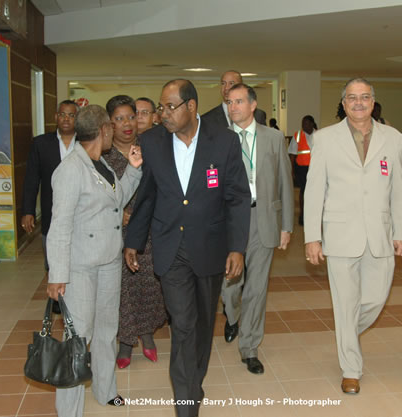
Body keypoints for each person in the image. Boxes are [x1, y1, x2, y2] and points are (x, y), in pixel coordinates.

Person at [124, 79, 250, 417]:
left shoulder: (223, 141)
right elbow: (147, 195)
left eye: (169, 107)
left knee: (204, 324)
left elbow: (237, 197)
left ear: (191, 107)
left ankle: (194, 380)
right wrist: (133, 241)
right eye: (161, 107)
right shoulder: (152, 142)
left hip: (210, 246)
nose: (162, 114)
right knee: (182, 323)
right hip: (170, 247)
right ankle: (186, 403)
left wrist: (237, 247)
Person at [304, 78, 402, 395]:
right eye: (352, 97)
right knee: (345, 302)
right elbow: (314, 190)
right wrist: (312, 236)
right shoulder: (325, 139)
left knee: (375, 300)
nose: (359, 102)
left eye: (365, 97)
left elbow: (398, 187)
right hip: (340, 234)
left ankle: (345, 333)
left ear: (373, 102)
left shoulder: (393, 137)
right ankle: (351, 369)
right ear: (344, 103)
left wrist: (401, 230)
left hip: (380, 233)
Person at [46, 105, 143, 417]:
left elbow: (116, 202)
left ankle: (105, 391)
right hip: (80, 267)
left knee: (106, 330)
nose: (115, 130)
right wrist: (57, 274)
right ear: (103, 130)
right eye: (111, 126)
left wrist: (134, 169)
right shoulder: (70, 169)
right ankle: (68, 410)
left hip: (109, 261)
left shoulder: (100, 163)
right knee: (78, 337)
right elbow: (58, 226)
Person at [221, 83, 293, 374]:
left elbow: (284, 182)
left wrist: (286, 225)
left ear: (253, 105)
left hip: (263, 219)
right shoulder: (220, 139)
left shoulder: (274, 138)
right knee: (230, 287)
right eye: (229, 102)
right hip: (229, 223)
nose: (233, 106)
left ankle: (249, 347)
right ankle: (233, 316)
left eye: (238, 101)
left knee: (257, 289)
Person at [102, 95, 167, 368]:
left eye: (131, 116)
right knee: (123, 289)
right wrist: (119, 213)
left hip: (150, 231)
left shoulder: (149, 148)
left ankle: (147, 335)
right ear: (110, 124)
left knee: (149, 285)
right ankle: (126, 342)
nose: (128, 123)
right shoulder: (102, 156)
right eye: (119, 119)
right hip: (115, 235)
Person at [21, 100, 78, 294]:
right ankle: (57, 298)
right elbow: (31, 179)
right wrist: (28, 211)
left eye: (71, 115)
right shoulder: (41, 143)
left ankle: (75, 296)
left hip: (81, 211)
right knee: (52, 258)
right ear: (56, 117)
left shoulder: (85, 142)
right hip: (51, 212)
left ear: (77, 118)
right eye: (62, 114)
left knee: (77, 258)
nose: (66, 119)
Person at [202, 70, 267, 127]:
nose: (226, 88)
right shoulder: (207, 119)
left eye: (231, 83)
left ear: (241, 85)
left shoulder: (258, 115)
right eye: (223, 83)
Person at [288, 115, 317, 225]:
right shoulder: (298, 135)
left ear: (311, 124)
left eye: (306, 123)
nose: (304, 126)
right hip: (302, 168)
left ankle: (313, 215)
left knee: (315, 192)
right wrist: (292, 170)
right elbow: (292, 154)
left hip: (315, 168)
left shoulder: (319, 135)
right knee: (304, 191)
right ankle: (303, 215)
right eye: (303, 123)